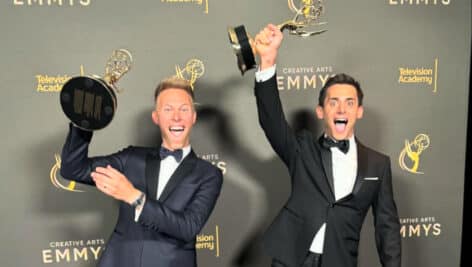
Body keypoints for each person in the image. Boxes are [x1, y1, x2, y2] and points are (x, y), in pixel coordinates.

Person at [252, 24, 401, 267]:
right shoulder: (302, 150)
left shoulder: (378, 165)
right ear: (321, 111)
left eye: (349, 103)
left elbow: (387, 227)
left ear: (359, 111)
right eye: (334, 102)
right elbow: (271, 120)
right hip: (293, 260)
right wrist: (267, 61)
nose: (342, 109)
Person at [60, 76, 223, 267]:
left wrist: (134, 197)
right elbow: (73, 169)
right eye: (168, 109)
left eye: (184, 109)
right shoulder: (131, 158)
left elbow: (187, 227)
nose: (176, 117)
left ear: (194, 117)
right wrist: (84, 121)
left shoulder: (209, 174)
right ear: (156, 117)